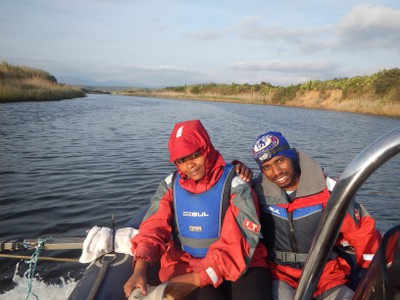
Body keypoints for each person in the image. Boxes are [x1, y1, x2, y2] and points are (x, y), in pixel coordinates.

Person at [124, 120, 271, 300]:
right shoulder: (170, 186)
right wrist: (140, 269)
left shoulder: (236, 184)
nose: (189, 165)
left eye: (194, 155)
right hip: (187, 262)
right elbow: (153, 227)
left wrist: (196, 278)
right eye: (181, 160)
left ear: (206, 148)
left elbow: (239, 241)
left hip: (239, 262)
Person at [251, 131, 381, 300]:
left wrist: (373, 270)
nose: (276, 172)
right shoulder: (256, 193)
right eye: (267, 167)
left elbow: (361, 232)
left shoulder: (330, 191)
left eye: (280, 161)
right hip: (280, 274)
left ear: (292, 157)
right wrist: (238, 168)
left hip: (325, 274)